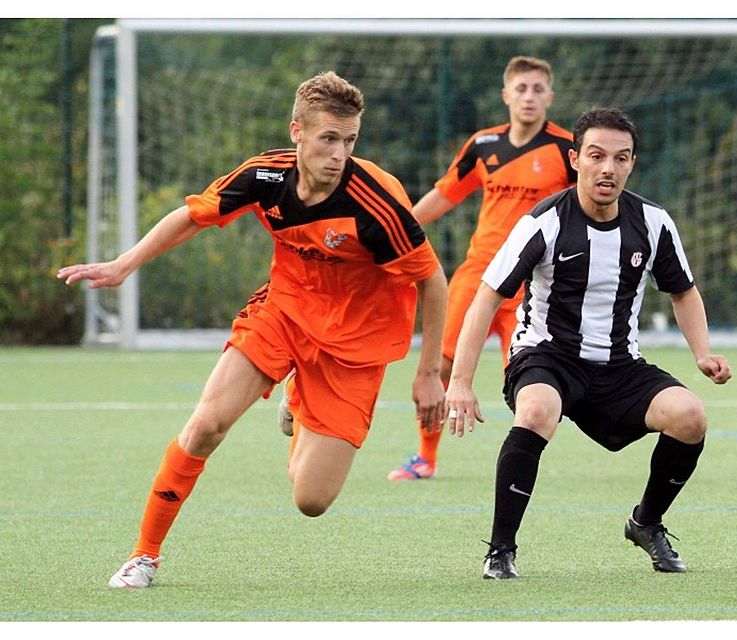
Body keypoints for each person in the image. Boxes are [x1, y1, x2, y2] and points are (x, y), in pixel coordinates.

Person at [57, 71, 448, 589]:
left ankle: (301, 395)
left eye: (349, 141)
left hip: (354, 343)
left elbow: (432, 281)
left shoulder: (376, 204)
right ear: (297, 132)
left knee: (311, 500)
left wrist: (428, 375)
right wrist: (125, 264)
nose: (339, 153)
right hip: (283, 312)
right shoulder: (265, 176)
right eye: (328, 139)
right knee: (206, 425)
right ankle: (144, 555)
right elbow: (194, 215)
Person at [444, 107, 732, 579]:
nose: (608, 168)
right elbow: (487, 297)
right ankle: (500, 549)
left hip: (619, 365)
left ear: (632, 164)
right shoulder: (543, 223)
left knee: (690, 416)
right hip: (546, 356)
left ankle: (646, 523)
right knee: (535, 412)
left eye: (620, 158)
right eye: (596, 156)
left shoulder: (654, 223)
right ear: (575, 159)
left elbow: (682, 289)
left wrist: (703, 353)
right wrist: (460, 380)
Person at [384, 55, 577, 481]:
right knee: (441, 367)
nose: (529, 97)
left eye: (537, 89)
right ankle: (425, 457)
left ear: (550, 96)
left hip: (535, 285)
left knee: (531, 378)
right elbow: (444, 194)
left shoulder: (568, 151)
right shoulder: (484, 145)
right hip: (478, 276)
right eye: (521, 88)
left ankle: (518, 465)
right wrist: (399, 230)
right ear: (506, 95)